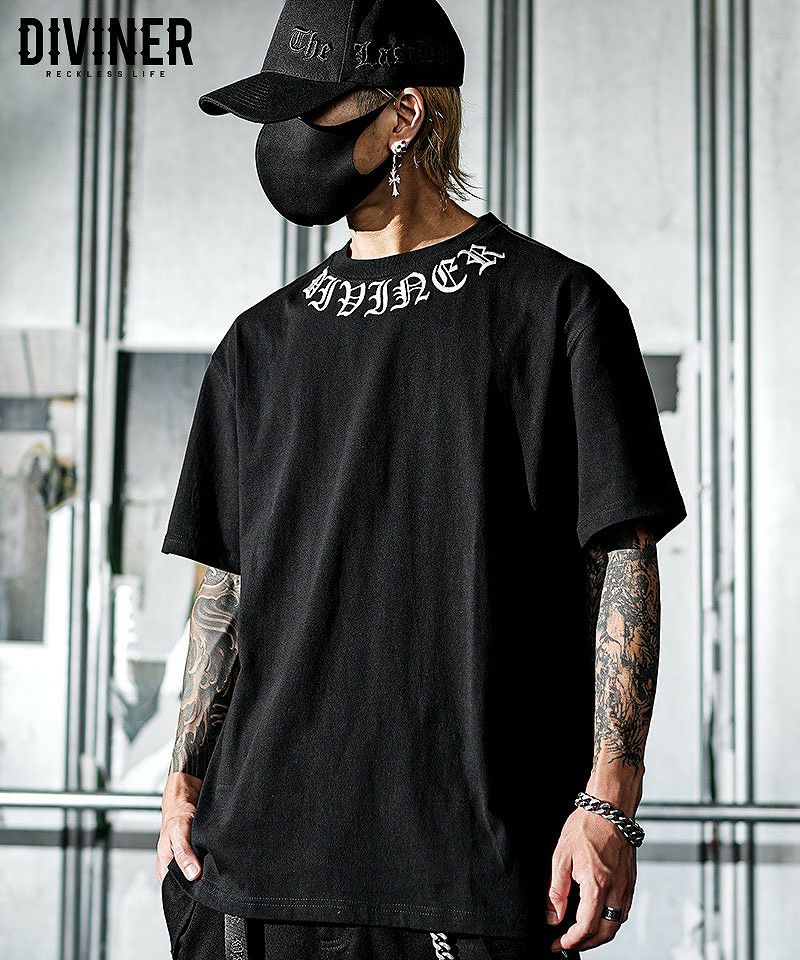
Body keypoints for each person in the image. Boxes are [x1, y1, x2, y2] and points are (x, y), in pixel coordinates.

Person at [156, 1, 687, 958]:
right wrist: (183, 777)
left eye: (308, 111)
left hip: (466, 880)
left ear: (404, 115)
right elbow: (223, 586)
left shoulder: (555, 310)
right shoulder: (257, 346)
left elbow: (621, 557)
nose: (283, 143)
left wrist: (612, 795)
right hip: (253, 884)